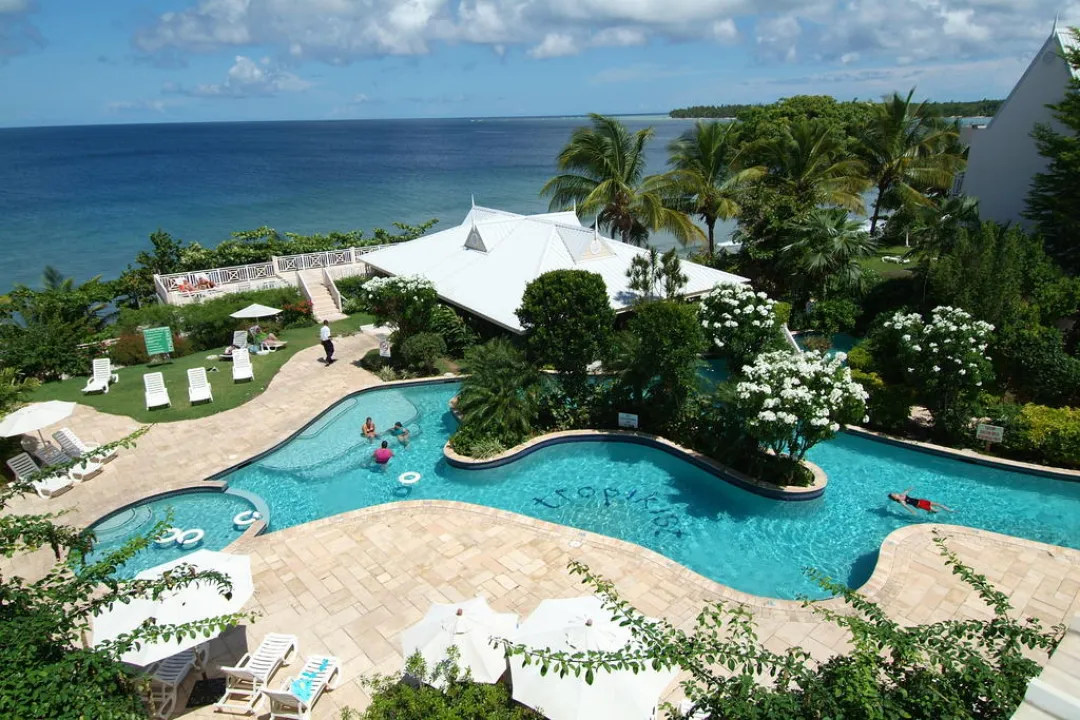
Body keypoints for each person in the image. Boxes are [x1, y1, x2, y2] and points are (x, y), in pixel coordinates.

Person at [888, 488, 954, 514]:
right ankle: (931, 512)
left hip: (921, 501)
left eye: (894, 493)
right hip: (920, 505)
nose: (895, 493)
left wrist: (911, 488)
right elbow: (906, 507)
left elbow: (906, 491)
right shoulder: (902, 501)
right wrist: (912, 511)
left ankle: (950, 510)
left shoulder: (902, 495)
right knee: (936, 511)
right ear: (895, 498)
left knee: (938, 504)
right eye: (893, 495)